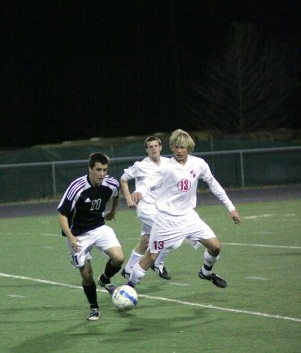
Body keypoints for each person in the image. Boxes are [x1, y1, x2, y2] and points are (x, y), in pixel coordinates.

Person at [126, 129, 241, 289]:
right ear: (171, 147)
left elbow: (213, 184)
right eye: (176, 147)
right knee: (151, 257)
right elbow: (149, 182)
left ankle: (205, 272)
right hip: (166, 221)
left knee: (215, 246)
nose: (179, 151)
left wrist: (231, 207)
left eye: (183, 147)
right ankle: (129, 287)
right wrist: (140, 191)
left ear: (189, 148)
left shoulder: (199, 164)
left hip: (189, 218)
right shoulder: (166, 168)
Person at [57, 152, 124, 321]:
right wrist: (71, 238)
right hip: (78, 234)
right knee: (86, 274)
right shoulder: (77, 187)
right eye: (98, 170)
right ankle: (94, 307)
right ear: (90, 169)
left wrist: (112, 211)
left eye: (105, 170)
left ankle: (105, 279)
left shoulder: (111, 183)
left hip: (99, 228)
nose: (102, 174)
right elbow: (62, 215)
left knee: (118, 259)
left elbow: (117, 194)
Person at [120, 135, 172, 281]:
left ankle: (129, 269)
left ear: (161, 147)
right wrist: (129, 199)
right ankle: (157, 263)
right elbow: (123, 179)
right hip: (146, 208)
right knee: (168, 229)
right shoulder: (141, 165)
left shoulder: (168, 163)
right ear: (146, 150)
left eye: (156, 146)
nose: (154, 149)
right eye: (150, 147)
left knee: (145, 241)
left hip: (161, 208)